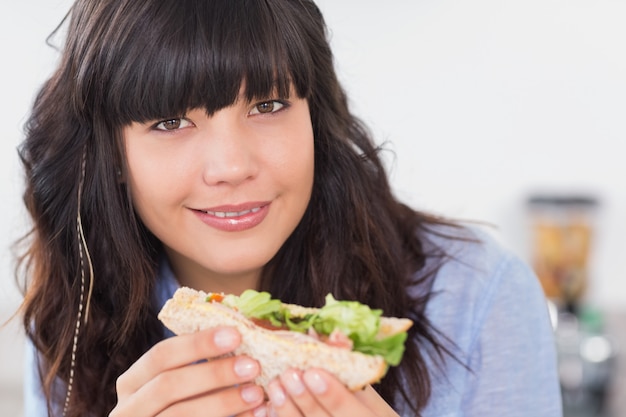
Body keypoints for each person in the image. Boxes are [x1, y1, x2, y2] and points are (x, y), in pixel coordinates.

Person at [17, 0, 562, 416]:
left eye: (269, 104)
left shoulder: (477, 297)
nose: (231, 166)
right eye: (169, 122)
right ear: (110, 153)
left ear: (316, 118)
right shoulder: (73, 312)